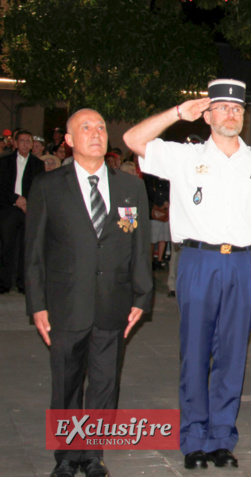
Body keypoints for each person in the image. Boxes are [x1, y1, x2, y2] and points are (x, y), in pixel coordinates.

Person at [123, 79, 251, 469]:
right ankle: (194, 438)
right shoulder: (184, 155)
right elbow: (132, 139)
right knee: (195, 352)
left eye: (237, 108)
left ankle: (222, 438)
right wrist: (178, 113)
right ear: (208, 115)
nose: (231, 114)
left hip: (244, 264)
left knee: (232, 355)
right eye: (223, 107)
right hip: (199, 261)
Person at [25, 108, 153, 477]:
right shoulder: (48, 186)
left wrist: (141, 296)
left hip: (114, 302)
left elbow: (139, 246)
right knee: (66, 383)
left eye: (100, 127)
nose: (95, 133)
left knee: (104, 383)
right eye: (85, 128)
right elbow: (34, 252)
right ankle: (67, 456)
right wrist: (37, 305)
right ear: (68, 140)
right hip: (65, 303)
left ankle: (94, 454)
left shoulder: (130, 187)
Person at [0, 129, 44, 294]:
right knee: (6, 246)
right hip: (8, 208)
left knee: (27, 248)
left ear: (32, 144)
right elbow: (1, 186)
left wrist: (27, 203)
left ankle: (23, 283)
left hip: (28, 209)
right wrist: (16, 199)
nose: (25, 144)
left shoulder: (37, 164)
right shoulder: (4, 161)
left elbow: (39, 189)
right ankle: (4, 282)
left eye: (28, 141)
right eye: (22, 141)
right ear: (15, 143)